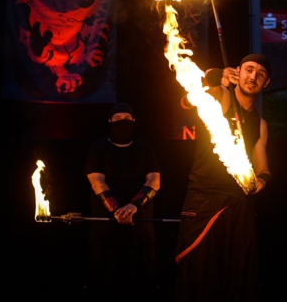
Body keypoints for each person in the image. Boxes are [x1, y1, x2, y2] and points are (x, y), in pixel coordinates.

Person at [175, 54, 272, 302]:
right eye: (249, 70)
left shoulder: (260, 123)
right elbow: (199, 90)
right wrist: (218, 75)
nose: (253, 76)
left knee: (237, 280)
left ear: (266, 83)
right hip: (204, 199)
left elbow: (263, 165)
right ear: (238, 72)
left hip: (239, 205)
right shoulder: (224, 97)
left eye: (260, 74)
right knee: (199, 278)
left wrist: (261, 180)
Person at [84, 102, 161, 300]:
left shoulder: (145, 148)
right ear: (109, 122)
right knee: (104, 285)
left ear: (134, 122)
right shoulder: (98, 148)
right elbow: (96, 181)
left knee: (141, 285)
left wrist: (133, 207)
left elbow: (154, 180)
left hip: (140, 230)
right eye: (117, 120)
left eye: (127, 119)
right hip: (106, 232)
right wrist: (117, 210)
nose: (123, 123)